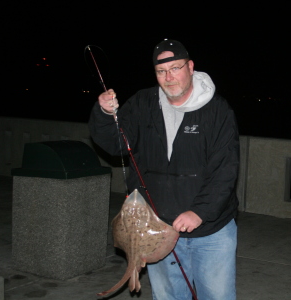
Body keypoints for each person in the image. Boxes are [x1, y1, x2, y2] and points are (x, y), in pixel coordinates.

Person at [88, 39, 239, 300]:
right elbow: (116, 144)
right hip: (156, 226)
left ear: (190, 67)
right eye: (161, 71)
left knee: (217, 295)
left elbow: (225, 169)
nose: (169, 77)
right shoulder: (142, 103)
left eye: (175, 68)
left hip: (211, 230)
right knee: (168, 296)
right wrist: (103, 113)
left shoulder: (217, 110)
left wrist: (199, 212)